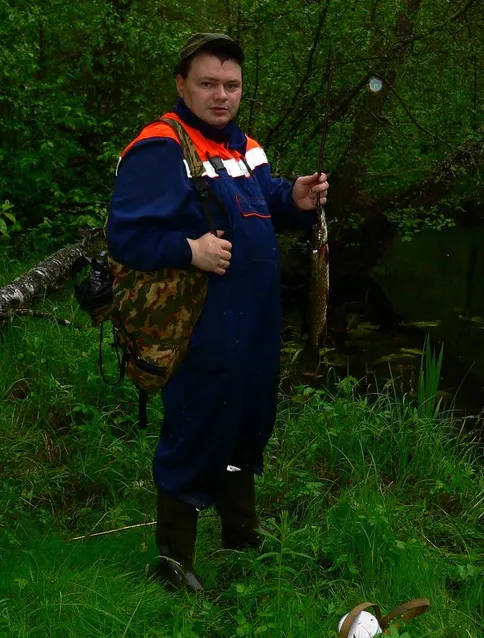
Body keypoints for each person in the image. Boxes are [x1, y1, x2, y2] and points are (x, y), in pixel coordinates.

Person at [106, 33, 329, 592]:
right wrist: (190, 250)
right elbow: (125, 236)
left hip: (254, 321)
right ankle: (173, 562)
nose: (220, 95)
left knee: (248, 421)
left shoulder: (244, 146)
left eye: (231, 85)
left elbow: (264, 198)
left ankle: (240, 533)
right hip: (200, 323)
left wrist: (294, 199)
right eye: (208, 84)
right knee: (197, 426)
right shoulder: (161, 147)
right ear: (182, 85)